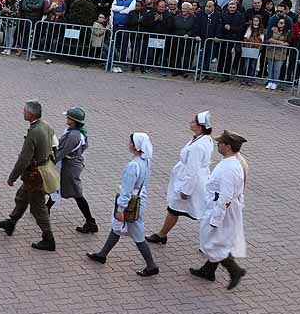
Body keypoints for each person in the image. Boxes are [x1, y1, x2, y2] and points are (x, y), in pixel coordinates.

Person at [85, 133, 160, 277]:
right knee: (116, 228)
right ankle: (102, 254)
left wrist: (120, 209)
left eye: (131, 142)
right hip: (139, 199)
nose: (129, 143)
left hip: (130, 203)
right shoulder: (145, 161)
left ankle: (151, 265)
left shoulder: (133, 166)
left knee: (137, 235)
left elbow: (126, 190)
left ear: (136, 146)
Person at [0, 100, 57, 251]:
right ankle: (11, 222)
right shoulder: (46, 126)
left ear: (30, 114)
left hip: (35, 175)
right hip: (42, 170)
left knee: (38, 207)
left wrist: (12, 177)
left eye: (24, 110)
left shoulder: (34, 132)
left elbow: (24, 159)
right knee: (22, 197)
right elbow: (55, 144)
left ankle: (49, 238)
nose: (23, 112)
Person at [191, 130, 248, 290]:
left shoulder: (230, 168)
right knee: (217, 241)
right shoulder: (232, 162)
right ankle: (208, 270)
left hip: (221, 210)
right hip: (221, 207)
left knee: (214, 243)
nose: (218, 144)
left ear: (228, 146)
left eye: (220, 143)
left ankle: (235, 270)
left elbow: (225, 197)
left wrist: (216, 218)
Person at [147, 111, 214, 245]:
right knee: (175, 209)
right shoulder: (202, 139)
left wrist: (186, 190)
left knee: (188, 210)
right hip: (194, 180)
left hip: (191, 182)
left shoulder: (198, 146)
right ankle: (162, 234)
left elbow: (193, 171)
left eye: (193, 122)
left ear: (200, 126)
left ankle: (212, 240)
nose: (191, 122)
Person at [49, 107, 97, 234]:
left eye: (68, 117)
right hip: (70, 165)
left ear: (74, 120)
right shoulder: (76, 132)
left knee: (77, 194)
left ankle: (91, 222)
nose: (67, 118)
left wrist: (50, 162)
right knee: (56, 187)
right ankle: (46, 208)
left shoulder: (73, 136)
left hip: (70, 168)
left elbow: (62, 151)